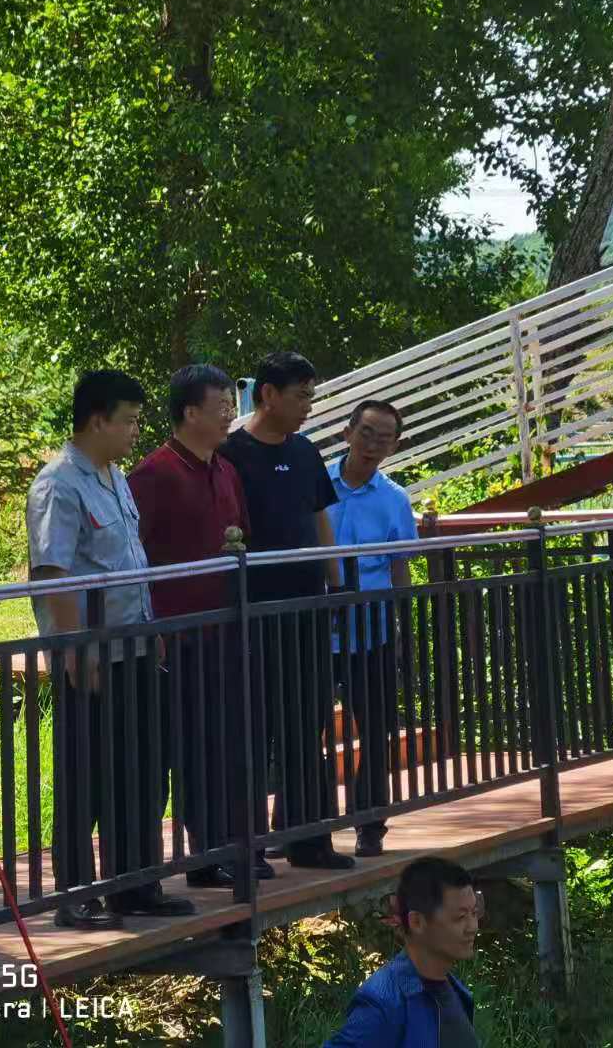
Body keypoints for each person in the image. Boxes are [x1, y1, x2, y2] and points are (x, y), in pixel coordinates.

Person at [27, 370, 194, 929]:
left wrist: (152, 628)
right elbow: (54, 574)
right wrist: (78, 652)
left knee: (141, 770)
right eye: (129, 421)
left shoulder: (114, 476)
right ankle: (75, 894)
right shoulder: (58, 484)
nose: (135, 431)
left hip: (136, 646)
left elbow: (128, 561)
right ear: (97, 421)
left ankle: (135, 885)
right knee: (87, 777)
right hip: (93, 656)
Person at [127, 364, 276, 890]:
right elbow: (133, 558)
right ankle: (195, 856)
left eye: (231, 406)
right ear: (190, 413)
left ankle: (226, 848)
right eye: (221, 407)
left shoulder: (226, 470)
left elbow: (242, 539)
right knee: (185, 747)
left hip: (226, 632)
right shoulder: (153, 474)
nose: (230, 415)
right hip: (176, 637)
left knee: (225, 743)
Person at [219, 351, 351, 870]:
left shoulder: (305, 451)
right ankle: (247, 849)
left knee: (308, 722)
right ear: (268, 394)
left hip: (307, 608)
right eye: (301, 396)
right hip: (252, 614)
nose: (308, 406)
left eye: (311, 396)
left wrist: (336, 585)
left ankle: (309, 839)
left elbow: (320, 518)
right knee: (254, 729)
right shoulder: (231, 453)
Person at [327, 401, 417, 858]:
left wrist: (401, 627)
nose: (373, 445)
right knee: (299, 727)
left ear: (394, 446)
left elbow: (400, 567)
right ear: (347, 433)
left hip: (372, 630)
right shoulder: (315, 484)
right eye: (366, 433)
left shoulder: (395, 499)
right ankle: (298, 824)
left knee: (376, 729)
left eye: (384, 438)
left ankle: (370, 824)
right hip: (314, 629)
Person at [322, 857, 481, 1048]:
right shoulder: (384, 1002)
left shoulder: (456, 991)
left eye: (474, 913)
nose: (473, 927)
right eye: (460, 917)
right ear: (417, 922)